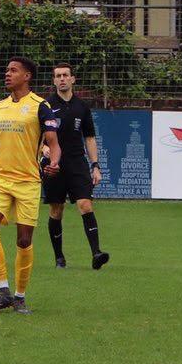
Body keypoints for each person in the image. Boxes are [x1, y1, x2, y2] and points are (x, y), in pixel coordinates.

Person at [0, 57, 60, 315]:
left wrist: (55, 162)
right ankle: (3, 289)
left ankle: (20, 296)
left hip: (27, 181)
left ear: (27, 76)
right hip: (0, 179)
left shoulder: (41, 106)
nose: (7, 74)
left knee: (24, 240)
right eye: (6, 70)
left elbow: (53, 143)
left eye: (13, 70)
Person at [41, 62, 108, 270]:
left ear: (72, 79)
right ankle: (59, 257)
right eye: (58, 76)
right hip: (54, 165)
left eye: (65, 75)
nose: (62, 79)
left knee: (85, 205)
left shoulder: (82, 107)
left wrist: (95, 165)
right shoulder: (46, 106)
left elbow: (89, 138)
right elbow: (37, 135)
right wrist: (43, 149)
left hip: (78, 163)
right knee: (56, 210)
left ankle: (96, 253)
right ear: (54, 80)